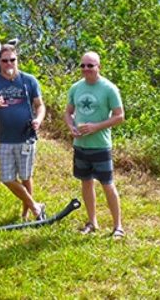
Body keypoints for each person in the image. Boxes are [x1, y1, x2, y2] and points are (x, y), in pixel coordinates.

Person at [0, 44, 48, 221]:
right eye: (5, 61)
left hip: (26, 137)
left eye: (12, 60)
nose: (9, 64)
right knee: (7, 178)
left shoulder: (29, 80)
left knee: (26, 176)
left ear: (17, 60)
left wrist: (38, 120)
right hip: (5, 139)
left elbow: (40, 105)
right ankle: (35, 206)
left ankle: (27, 212)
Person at [64, 51, 126, 238]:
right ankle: (92, 222)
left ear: (99, 67)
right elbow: (68, 112)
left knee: (107, 184)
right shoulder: (76, 88)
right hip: (80, 145)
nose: (86, 69)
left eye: (90, 65)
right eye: (82, 65)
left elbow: (120, 116)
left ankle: (118, 226)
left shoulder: (109, 89)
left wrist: (96, 127)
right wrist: (71, 126)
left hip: (100, 145)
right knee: (86, 182)